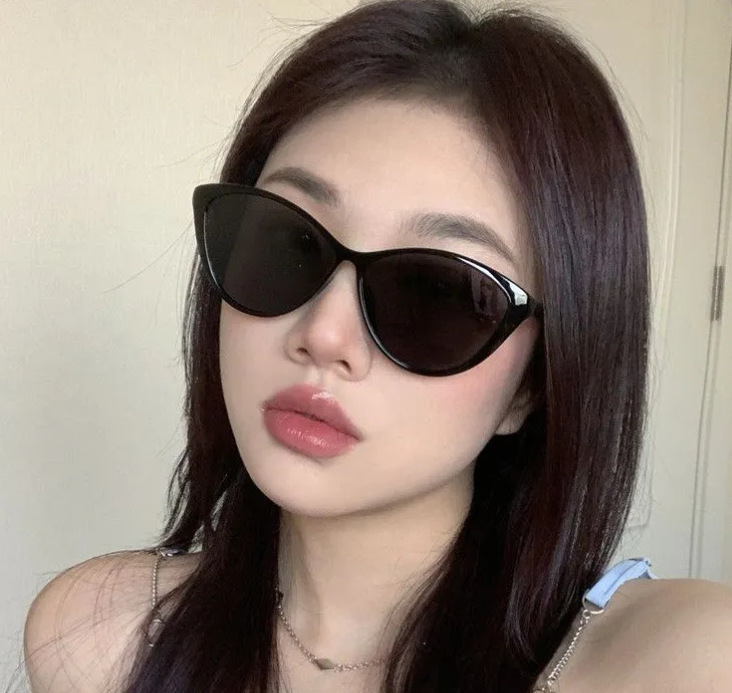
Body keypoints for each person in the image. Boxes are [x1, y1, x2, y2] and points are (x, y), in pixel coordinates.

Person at [20, 1, 732, 692]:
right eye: (288, 244)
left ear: (532, 385)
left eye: (437, 293)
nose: (324, 335)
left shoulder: (676, 662)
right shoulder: (99, 638)